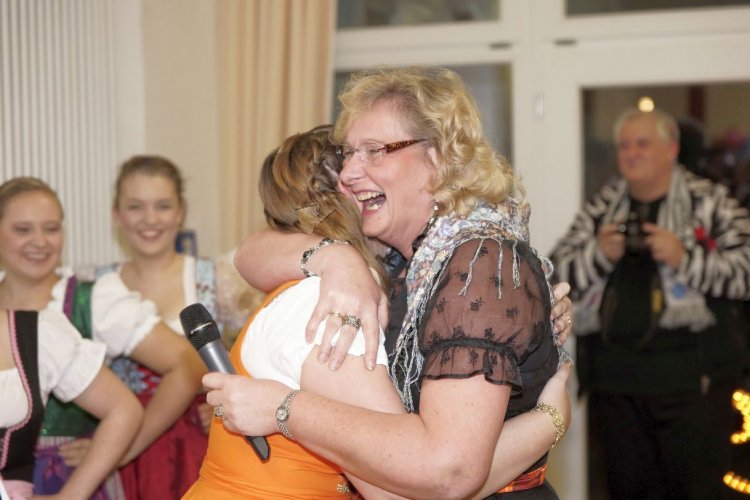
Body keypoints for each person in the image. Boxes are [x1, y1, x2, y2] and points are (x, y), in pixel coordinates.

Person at [207, 66, 572, 499]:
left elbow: (449, 471)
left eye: (374, 150)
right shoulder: (408, 258)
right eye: (349, 153)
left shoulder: (479, 264)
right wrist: (335, 259)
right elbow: (250, 254)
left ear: (437, 157)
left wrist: (283, 408)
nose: (349, 172)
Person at [549, 108, 750, 500]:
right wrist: (599, 255)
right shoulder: (604, 206)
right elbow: (554, 273)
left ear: (671, 148)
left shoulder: (709, 202)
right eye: (624, 145)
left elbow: (745, 271)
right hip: (616, 388)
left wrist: (684, 258)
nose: (631, 153)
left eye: (643, 143)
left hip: (696, 386)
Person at [0, 177, 205, 498]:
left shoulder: (91, 300)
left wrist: (123, 450)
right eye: (23, 229)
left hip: (70, 481)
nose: (39, 241)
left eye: (51, 229)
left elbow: (187, 364)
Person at [94, 155, 264, 499]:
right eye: (135, 207)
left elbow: (260, 356)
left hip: (199, 451)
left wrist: (226, 398)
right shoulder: (96, 286)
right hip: (120, 456)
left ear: (180, 212)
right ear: (116, 214)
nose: (150, 219)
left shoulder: (218, 280)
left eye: (162, 206)